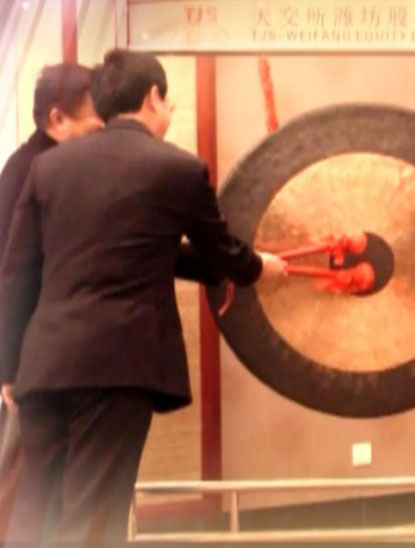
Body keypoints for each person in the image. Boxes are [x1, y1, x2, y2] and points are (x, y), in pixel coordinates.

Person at [0, 49, 286, 545]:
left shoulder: (48, 167)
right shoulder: (178, 169)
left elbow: (17, 272)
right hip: (117, 365)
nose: (170, 112)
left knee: (35, 513)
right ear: (153, 97)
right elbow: (220, 251)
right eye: (168, 101)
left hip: (43, 363)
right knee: (94, 519)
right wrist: (258, 268)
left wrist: (8, 367)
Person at [0, 62, 103, 542]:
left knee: (35, 485)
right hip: (31, 358)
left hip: (41, 353)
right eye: (96, 126)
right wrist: (9, 368)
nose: (103, 136)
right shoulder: (32, 171)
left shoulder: (38, 164)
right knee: (24, 484)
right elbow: (13, 274)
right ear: (57, 119)